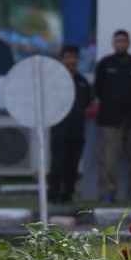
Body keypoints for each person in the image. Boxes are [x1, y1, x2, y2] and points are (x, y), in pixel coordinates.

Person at [94, 29, 131, 202]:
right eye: (117, 41)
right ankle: (108, 193)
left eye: (123, 41)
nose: (120, 44)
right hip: (110, 119)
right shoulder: (105, 64)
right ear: (113, 43)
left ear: (129, 43)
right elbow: (98, 89)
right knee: (109, 159)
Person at [47, 45, 93, 204]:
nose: (71, 61)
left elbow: (87, 102)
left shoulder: (82, 82)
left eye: (74, 57)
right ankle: (52, 196)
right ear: (62, 59)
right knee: (57, 166)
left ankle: (67, 196)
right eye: (68, 57)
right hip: (59, 131)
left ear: (78, 60)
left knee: (72, 167)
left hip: (77, 132)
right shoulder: (55, 81)